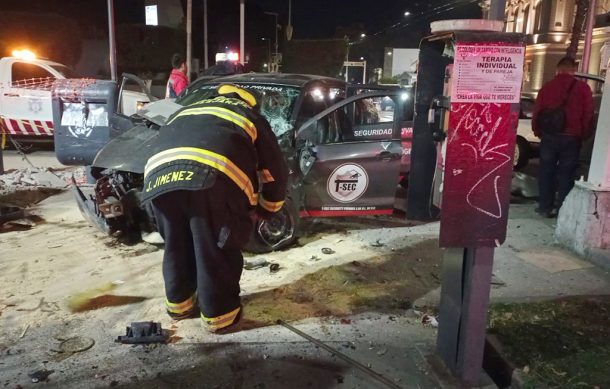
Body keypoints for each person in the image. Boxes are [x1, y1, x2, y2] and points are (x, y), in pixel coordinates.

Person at [142, 84, 288, 332]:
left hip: (157, 180)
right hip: (210, 180)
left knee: (177, 245)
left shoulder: (187, 110)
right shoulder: (249, 115)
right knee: (213, 249)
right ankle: (219, 316)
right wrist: (269, 208)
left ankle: (179, 306)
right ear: (251, 102)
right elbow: (274, 170)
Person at [532, 56, 594, 217]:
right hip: (572, 137)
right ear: (574, 70)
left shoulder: (547, 87)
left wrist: (538, 131)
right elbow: (588, 114)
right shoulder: (583, 89)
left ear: (558, 70)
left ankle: (545, 206)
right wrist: (584, 133)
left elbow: (537, 112)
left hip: (550, 136)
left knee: (546, 171)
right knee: (566, 173)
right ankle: (562, 208)